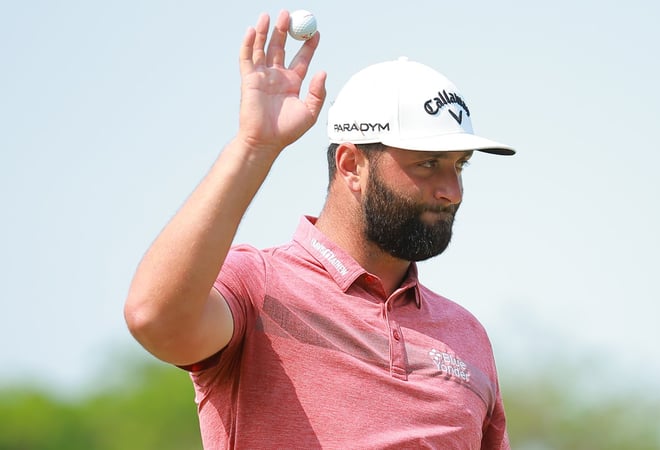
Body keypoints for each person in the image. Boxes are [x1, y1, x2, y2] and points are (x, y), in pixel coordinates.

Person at [124, 9, 516, 449]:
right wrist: (254, 148)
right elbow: (154, 318)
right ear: (352, 166)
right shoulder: (259, 286)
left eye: (459, 166)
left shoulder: (468, 337)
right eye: (428, 164)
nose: (452, 191)